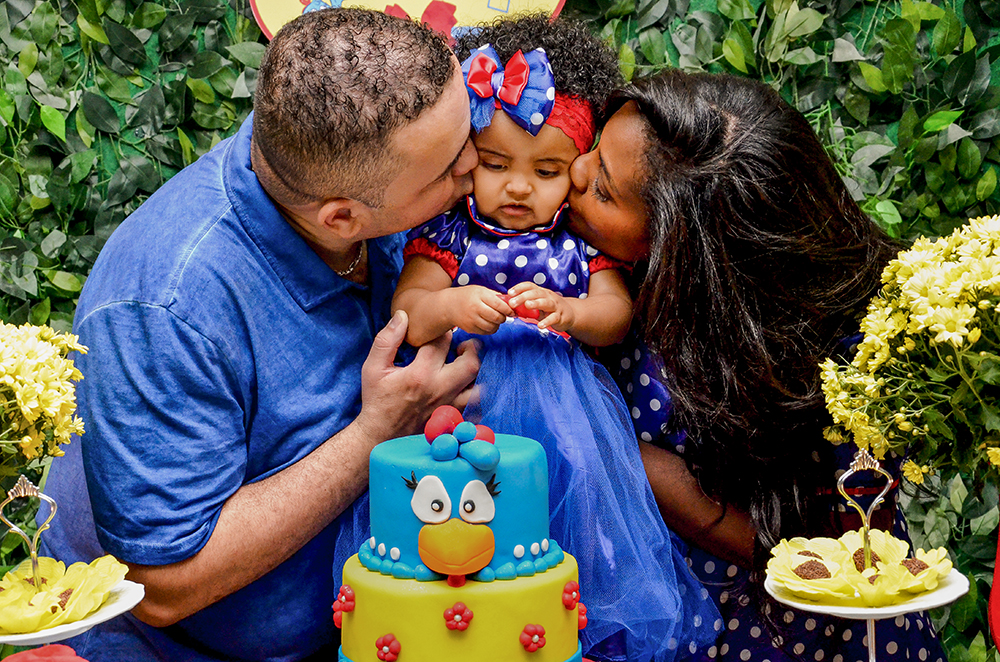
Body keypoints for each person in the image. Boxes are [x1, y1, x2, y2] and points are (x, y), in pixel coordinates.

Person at [39, 9, 480, 662]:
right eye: (449, 167)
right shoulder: (165, 304)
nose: (476, 165)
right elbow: (159, 586)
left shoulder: (330, 158)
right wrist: (374, 436)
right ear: (341, 217)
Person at [567, 69, 948, 662]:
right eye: (593, 149)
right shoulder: (593, 269)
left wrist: (629, 457)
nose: (575, 173)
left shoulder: (850, 354)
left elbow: (847, 560)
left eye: (605, 191)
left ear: (687, 247)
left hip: (790, 637)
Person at [392, 16, 722, 662]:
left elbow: (614, 314)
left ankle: (571, 629)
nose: (519, 187)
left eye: (549, 171)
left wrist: (570, 313)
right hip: (462, 404)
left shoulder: (573, 245)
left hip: (566, 410)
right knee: (460, 532)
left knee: (568, 526)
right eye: (495, 164)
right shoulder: (452, 236)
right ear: (466, 161)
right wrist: (450, 304)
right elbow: (407, 308)